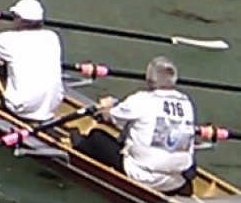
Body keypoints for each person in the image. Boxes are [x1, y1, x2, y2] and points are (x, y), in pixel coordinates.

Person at [77, 57, 199, 193]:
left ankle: (75, 146)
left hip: (141, 175)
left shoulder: (142, 99)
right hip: (176, 182)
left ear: (149, 80)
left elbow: (107, 116)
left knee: (96, 137)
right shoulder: (186, 103)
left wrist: (106, 107)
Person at [0, 0, 65, 123]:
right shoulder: (52, 37)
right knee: (10, 61)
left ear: (20, 20)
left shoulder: (10, 40)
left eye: (14, 17)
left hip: (20, 108)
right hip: (51, 107)